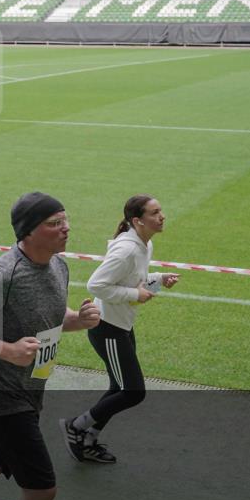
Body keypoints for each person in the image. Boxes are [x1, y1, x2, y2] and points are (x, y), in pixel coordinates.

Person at [0, 192, 99, 500]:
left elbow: (50, 317)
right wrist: (9, 350)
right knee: (42, 491)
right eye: (55, 223)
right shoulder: (1, 275)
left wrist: (78, 320)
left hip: (28, 389)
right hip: (1, 395)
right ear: (28, 231)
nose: (66, 228)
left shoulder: (58, 266)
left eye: (66, 220)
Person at [60, 194, 179, 464]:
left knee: (118, 388)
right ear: (138, 221)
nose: (162, 216)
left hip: (122, 326)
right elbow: (96, 285)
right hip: (107, 328)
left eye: (161, 210)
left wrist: (159, 280)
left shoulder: (143, 245)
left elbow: (134, 280)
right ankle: (76, 426)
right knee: (133, 391)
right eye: (155, 212)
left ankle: (88, 440)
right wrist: (133, 295)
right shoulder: (127, 249)